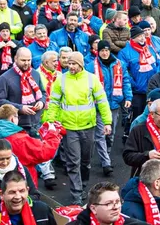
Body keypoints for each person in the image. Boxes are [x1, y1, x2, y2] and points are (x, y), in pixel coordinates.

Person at [44, 50, 114, 205]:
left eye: (74, 63)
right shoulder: (61, 80)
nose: (71, 66)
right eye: (69, 63)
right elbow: (54, 103)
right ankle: (76, 193)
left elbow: (102, 101)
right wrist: (50, 121)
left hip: (88, 126)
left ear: (80, 64)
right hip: (69, 128)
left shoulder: (91, 79)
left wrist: (107, 122)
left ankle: (83, 186)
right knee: (73, 161)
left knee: (85, 161)